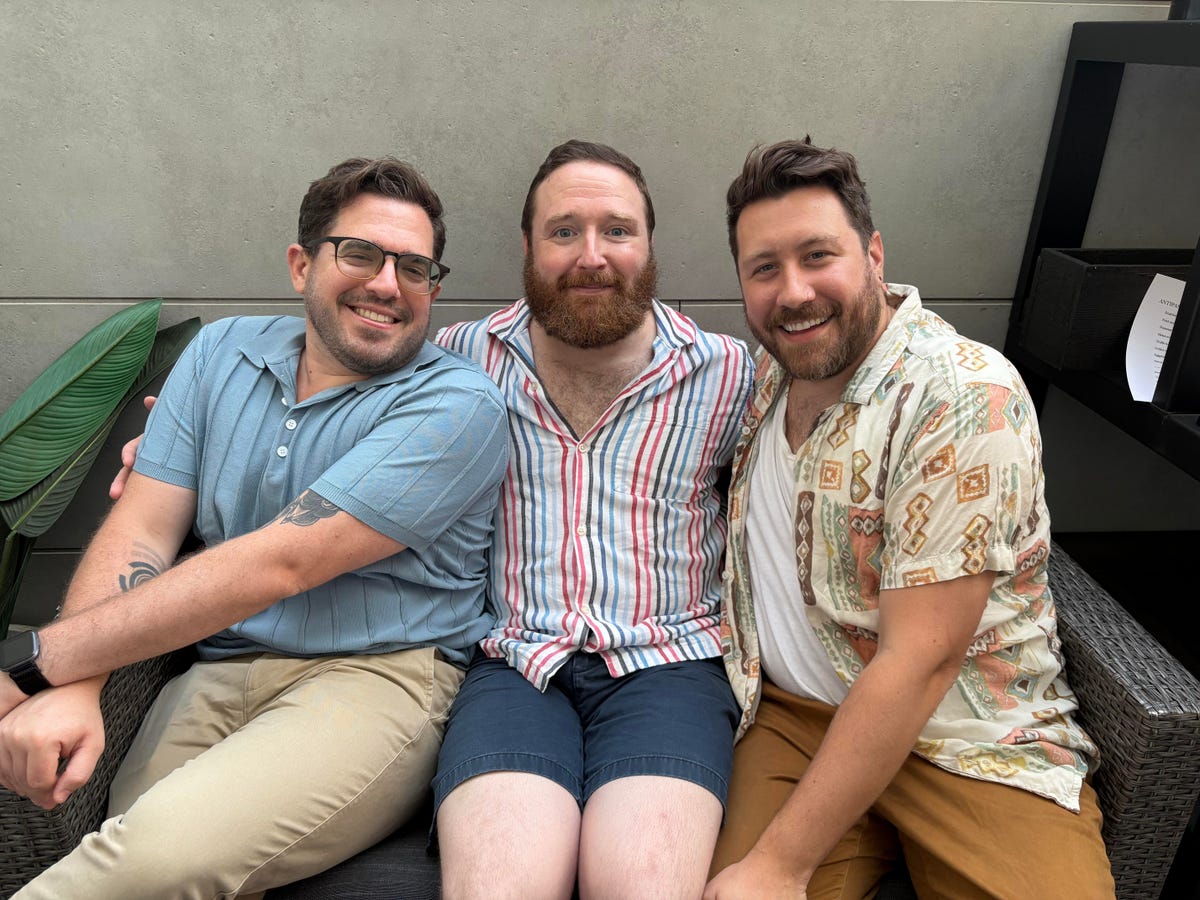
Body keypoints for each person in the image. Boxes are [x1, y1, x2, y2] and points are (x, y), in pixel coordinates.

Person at [0, 157, 510, 898]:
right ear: (301, 264)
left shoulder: (457, 404)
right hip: (219, 668)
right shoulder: (217, 357)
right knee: (127, 835)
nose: (387, 284)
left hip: (378, 679)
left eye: (415, 267)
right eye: (360, 253)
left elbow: (282, 564)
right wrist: (78, 683)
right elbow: (142, 528)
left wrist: (30, 663)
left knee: (152, 863)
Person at [704, 138, 1114, 899]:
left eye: (817, 255)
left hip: (968, 737)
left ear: (874, 254)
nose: (793, 292)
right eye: (764, 268)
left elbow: (920, 661)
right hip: (794, 720)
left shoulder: (961, 395)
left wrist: (781, 866)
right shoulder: (767, 374)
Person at [431, 140, 755, 899]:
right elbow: (343, 405)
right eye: (563, 231)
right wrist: (195, 436)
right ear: (527, 246)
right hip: (515, 664)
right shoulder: (457, 360)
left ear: (648, 245)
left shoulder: (731, 372)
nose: (592, 255)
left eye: (617, 230)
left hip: (670, 666)